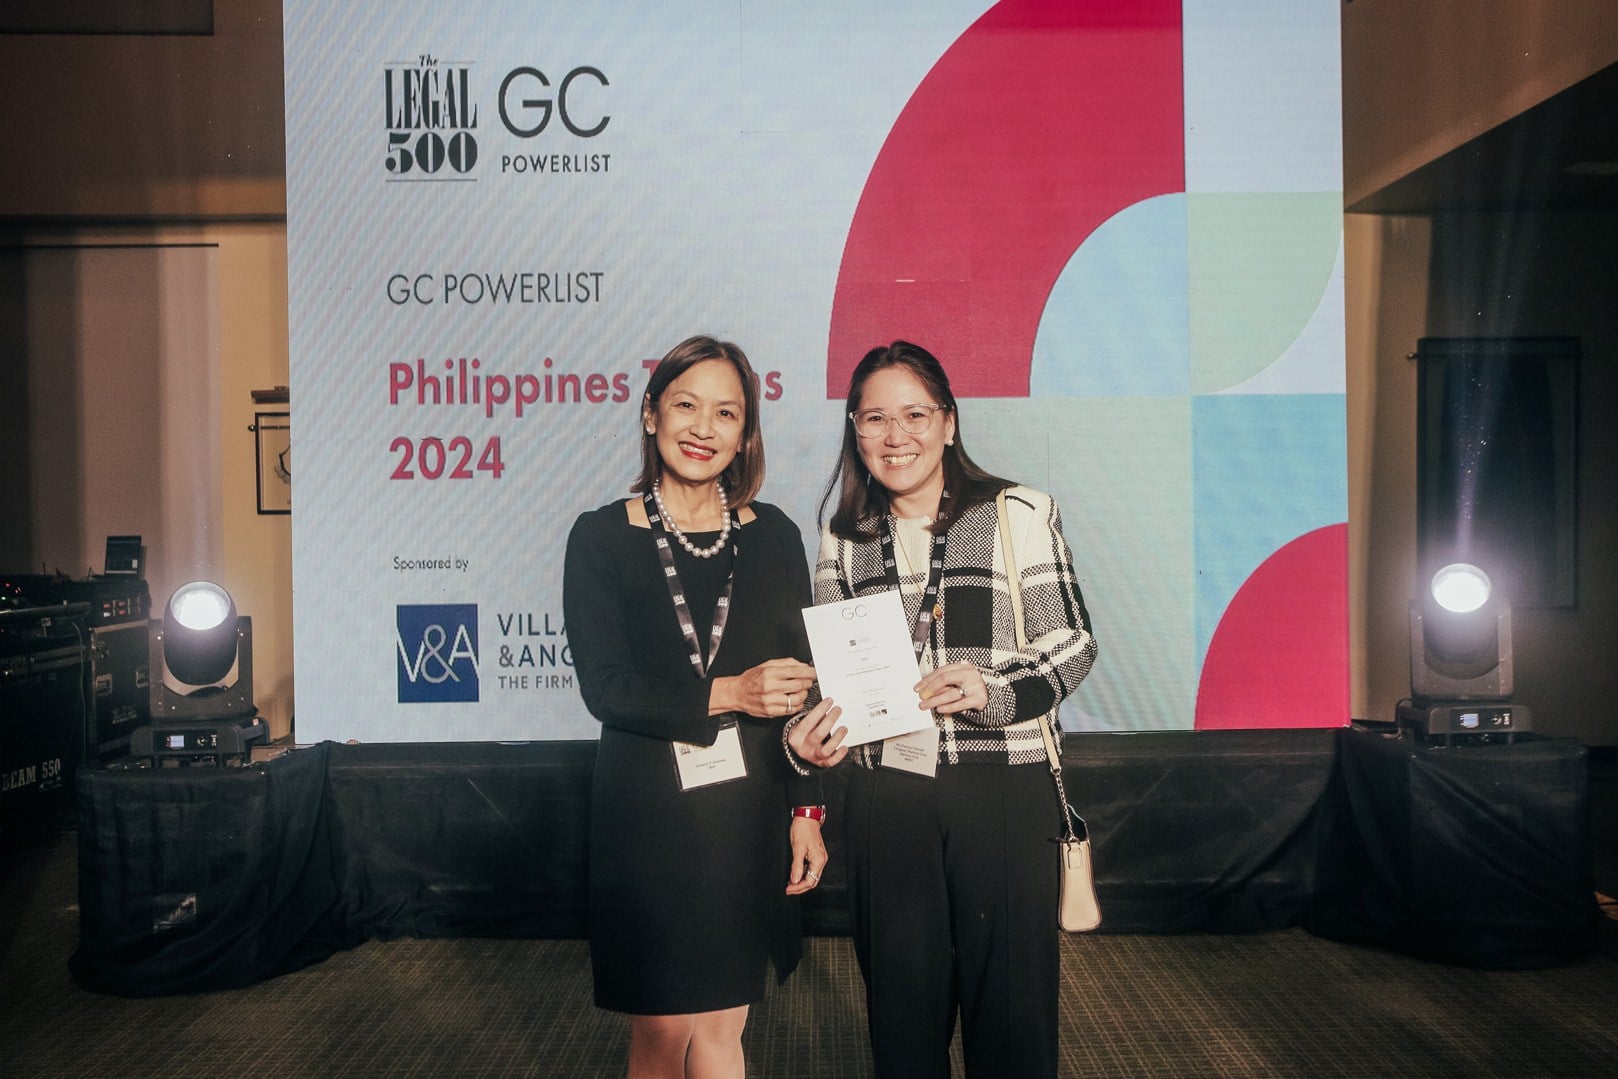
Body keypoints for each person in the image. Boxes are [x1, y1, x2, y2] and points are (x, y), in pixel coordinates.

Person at [792, 340, 1098, 1078]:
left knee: (1012, 1022)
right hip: (887, 795)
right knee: (903, 1024)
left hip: (1002, 784)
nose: (895, 436)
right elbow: (833, 677)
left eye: (915, 415)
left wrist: (992, 690)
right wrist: (817, 735)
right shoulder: (843, 538)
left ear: (950, 422)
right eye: (874, 418)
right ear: (855, 431)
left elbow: (1073, 645)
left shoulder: (1017, 512)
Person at [563, 334, 847, 1079]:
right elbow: (606, 688)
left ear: (745, 432)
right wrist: (732, 692)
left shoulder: (775, 535)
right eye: (686, 405)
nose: (703, 428)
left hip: (747, 811)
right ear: (651, 413)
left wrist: (807, 809)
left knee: (724, 1024)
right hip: (648, 817)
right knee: (662, 1031)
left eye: (726, 413)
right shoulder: (601, 536)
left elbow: (806, 691)